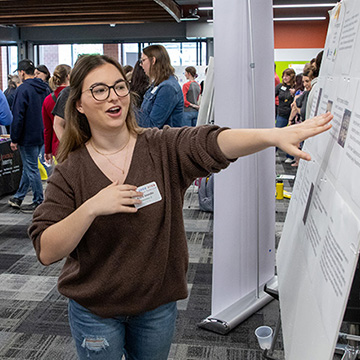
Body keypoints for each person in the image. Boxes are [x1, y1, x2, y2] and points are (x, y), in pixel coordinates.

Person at [28, 54, 333, 360]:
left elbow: (213, 142)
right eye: (99, 90)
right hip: (95, 310)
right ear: (79, 103)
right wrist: (91, 208)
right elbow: (47, 249)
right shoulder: (71, 169)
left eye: (119, 86)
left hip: (156, 306)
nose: (114, 97)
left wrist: (272, 136)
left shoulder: (161, 147)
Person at [8, 59, 50, 213]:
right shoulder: (45, 88)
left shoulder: (23, 89)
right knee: (29, 166)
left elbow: (18, 116)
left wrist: (14, 138)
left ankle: (39, 201)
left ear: (22, 73)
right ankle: (18, 197)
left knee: (31, 168)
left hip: (27, 136)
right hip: (41, 134)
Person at [138, 44, 184, 128]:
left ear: (153, 61)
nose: (141, 65)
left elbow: (152, 125)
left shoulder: (168, 88)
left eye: (143, 60)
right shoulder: (157, 85)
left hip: (164, 140)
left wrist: (130, 109)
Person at [42, 64, 71, 161]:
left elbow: (48, 129)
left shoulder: (47, 100)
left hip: (57, 146)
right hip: (75, 144)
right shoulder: (75, 96)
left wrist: (47, 151)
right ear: (68, 76)